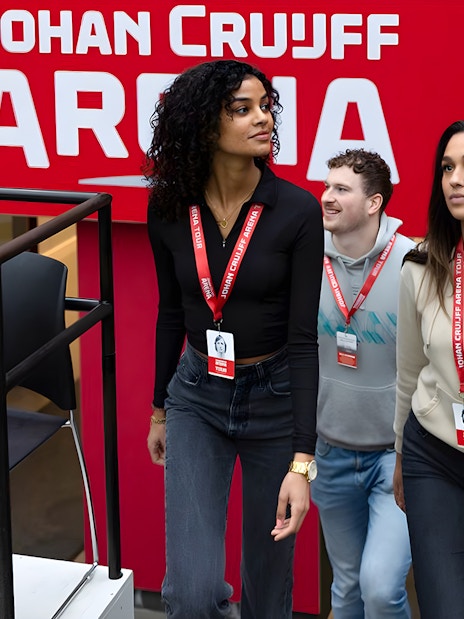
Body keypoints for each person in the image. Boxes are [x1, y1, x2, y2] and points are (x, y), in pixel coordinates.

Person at [144, 60, 324, 619]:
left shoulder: (296, 211)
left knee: (268, 595)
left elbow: (302, 341)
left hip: (274, 400)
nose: (263, 118)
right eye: (242, 109)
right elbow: (170, 313)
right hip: (197, 396)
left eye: (266, 106)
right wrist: (159, 410)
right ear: (203, 126)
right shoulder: (170, 207)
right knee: (191, 596)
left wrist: (302, 462)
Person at [310, 149, 414, 618]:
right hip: (327, 455)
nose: (326, 197)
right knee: (347, 590)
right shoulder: (306, 258)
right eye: (327, 186)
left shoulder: (414, 263)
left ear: (373, 203)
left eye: (341, 189)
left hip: (396, 461)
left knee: (379, 586)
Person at [393, 120, 464, 618]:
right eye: (448, 167)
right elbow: (409, 371)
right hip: (433, 456)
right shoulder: (422, 266)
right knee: (443, 606)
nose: (456, 179)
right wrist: (400, 453)